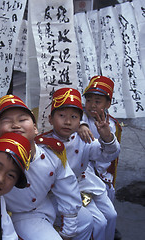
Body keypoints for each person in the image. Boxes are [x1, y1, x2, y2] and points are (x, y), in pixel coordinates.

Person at [0, 95, 93, 240]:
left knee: (86, 221)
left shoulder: (51, 154)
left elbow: (67, 189)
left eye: (22, 120)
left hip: (46, 202)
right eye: (7, 121)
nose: (15, 125)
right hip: (21, 215)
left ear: (35, 128)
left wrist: (68, 231)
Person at [36, 87, 120, 240]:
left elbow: (108, 156)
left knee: (111, 214)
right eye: (61, 115)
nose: (67, 122)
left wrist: (107, 138)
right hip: (58, 192)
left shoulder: (83, 139)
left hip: (83, 183)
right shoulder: (44, 145)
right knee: (98, 222)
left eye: (74, 117)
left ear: (80, 120)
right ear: (50, 119)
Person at [79, 75, 122, 239]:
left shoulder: (111, 125)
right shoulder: (79, 118)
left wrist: (107, 136)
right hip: (83, 183)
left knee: (111, 215)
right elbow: (74, 120)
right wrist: (80, 125)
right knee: (96, 219)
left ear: (108, 104)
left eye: (97, 101)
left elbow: (112, 155)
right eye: (88, 100)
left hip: (103, 180)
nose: (91, 105)